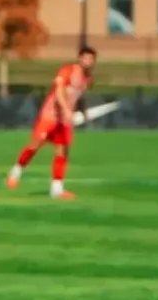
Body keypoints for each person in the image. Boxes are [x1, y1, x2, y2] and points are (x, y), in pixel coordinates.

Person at [7, 46, 97, 200]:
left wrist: (83, 112)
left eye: (91, 59)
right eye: (86, 58)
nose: (88, 61)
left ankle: (56, 189)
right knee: (35, 146)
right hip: (50, 115)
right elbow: (59, 91)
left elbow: (79, 96)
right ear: (80, 58)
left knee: (62, 151)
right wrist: (66, 110)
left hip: (64, 120)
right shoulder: (68, 71)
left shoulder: (87, 79)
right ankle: (16, 171)